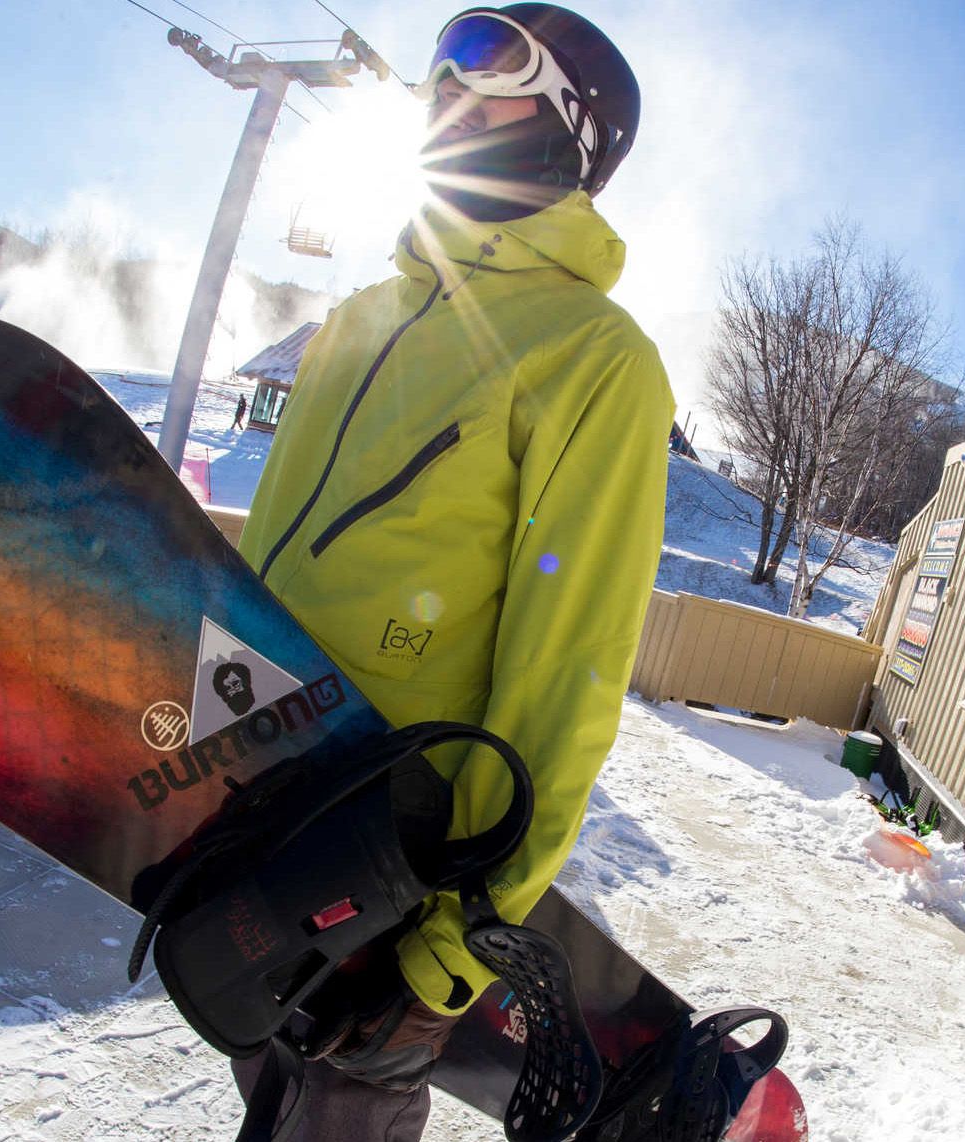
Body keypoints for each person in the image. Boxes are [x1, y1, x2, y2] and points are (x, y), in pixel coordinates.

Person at [230, 5, 669, 1138]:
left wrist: (453, 952)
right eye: (435, 75)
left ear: (572, 123)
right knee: (261, 1081)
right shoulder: (359, 319)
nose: (443, 89)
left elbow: (564, 672)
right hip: (257, 795)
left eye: (486, 66)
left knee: (337, 1104)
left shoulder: (593, 358)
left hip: (396, 841)